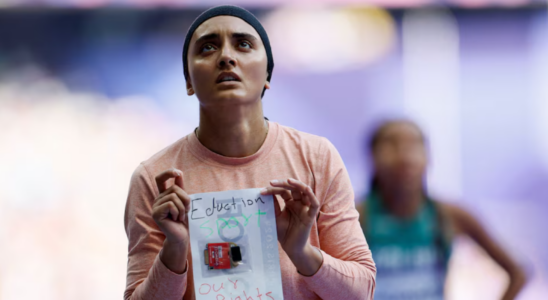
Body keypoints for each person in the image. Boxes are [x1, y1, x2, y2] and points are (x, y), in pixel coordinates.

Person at [123, 5, 376, 300]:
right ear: (189, 82)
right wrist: (175, 248)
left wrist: (302, 252)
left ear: (267, 74)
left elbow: (362, 292)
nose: (226, 57)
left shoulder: (317, 158)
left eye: (243, 44)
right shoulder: (155, 180)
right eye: (207, 47)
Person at [357, 119, 526, 300]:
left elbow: (517, 273)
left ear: (428, 158)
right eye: (391, 144)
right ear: (372, 156)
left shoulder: (449, 215)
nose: (405, 155)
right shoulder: (355, 218)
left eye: (414, 145)